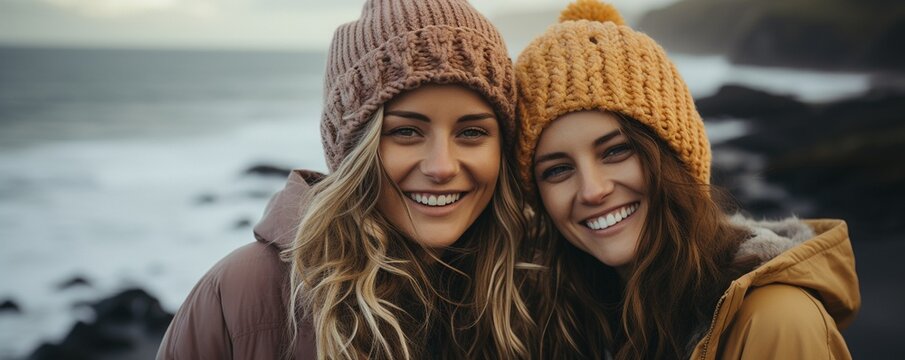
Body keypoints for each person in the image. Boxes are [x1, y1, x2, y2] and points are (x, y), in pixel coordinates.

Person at [157, 0, 535, 359]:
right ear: (352, 150)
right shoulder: (243, 292)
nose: (442, 167)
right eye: (405, 132)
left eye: (471, 133)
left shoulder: (536, 293)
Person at [514, 1, 861, 359]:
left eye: (615, 151)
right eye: (557, 170)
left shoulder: (775, 321)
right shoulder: (564, 324)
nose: (592, 190)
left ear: (675, 156)